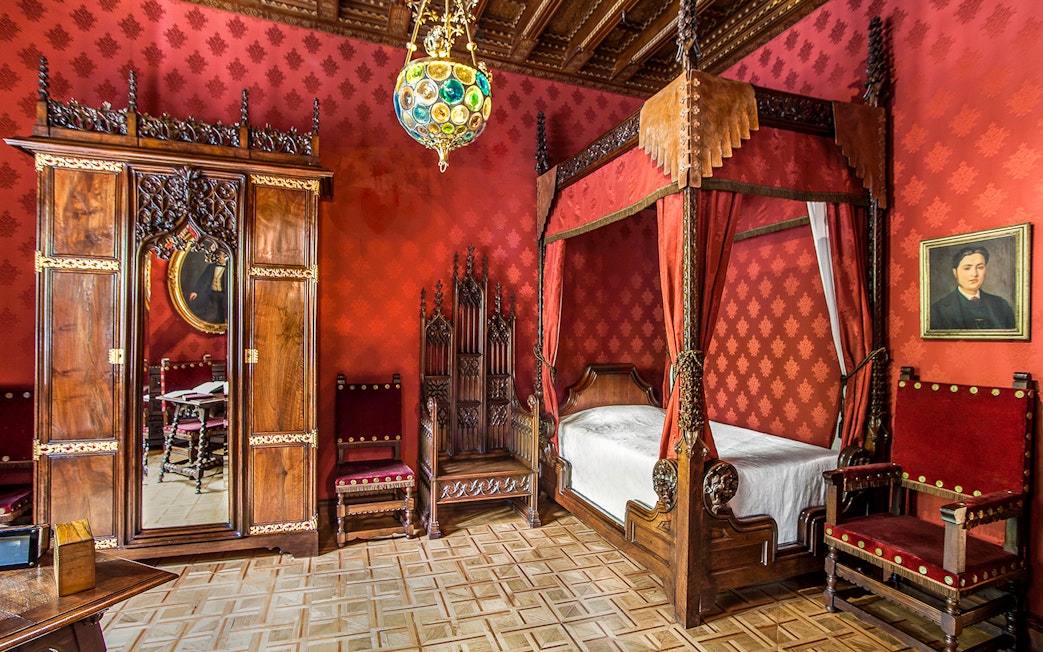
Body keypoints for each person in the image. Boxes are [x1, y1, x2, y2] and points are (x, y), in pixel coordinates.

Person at [929, 245, 1014, 330]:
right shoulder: (938, 310)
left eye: (980, 267)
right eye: (967, 268)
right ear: (955, 272)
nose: (974, 274)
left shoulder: (1001, 305)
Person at [187, 251, 228, 324]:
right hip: (212, 293)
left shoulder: (231, 268)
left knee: (224, 315)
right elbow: (203, 279)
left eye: (224, 256)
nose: (221, 258)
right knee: (211, 315)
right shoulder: (211, 266)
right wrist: (195, 291)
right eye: (219, 255)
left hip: (225, 295)